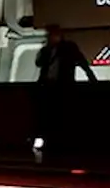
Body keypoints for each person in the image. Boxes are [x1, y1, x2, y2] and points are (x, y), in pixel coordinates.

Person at [34, 25, 98, 153]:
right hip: (47, 86)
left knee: (60, 114)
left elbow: (82, 62)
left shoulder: (69, 48)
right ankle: (48, 141)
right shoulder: (47, 50)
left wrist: (91, 78)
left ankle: (60, 142)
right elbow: (39, 63)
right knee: (47, 115)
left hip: (63, 85)